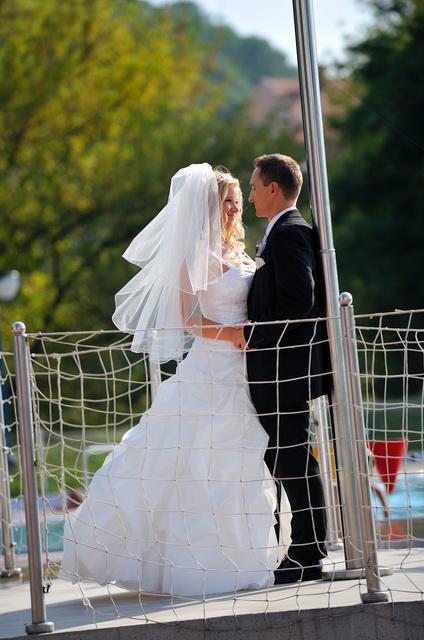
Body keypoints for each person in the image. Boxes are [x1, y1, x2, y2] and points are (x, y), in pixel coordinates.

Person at [61, 163, 289, 597]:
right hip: (211, 367)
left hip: (246, 371)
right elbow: (188, 318)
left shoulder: (241, 253)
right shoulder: (195, 256)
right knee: (197, 460)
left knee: (239, 462)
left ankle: (243, 558)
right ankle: (196, 565)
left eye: (237, 200)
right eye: (227, 200)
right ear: (208, 206)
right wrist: (232, 334)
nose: (236, 207)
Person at [234, 153, 331, 584]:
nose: (251, 194)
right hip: (276, 370)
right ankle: (302, 548)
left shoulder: (290, 233)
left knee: (294, 458)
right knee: (284, 456)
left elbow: (299, 300)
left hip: (284, 370)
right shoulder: (280, 231)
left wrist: (252, 333)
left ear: (273, 188)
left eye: (254, 187)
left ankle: (308, 552)